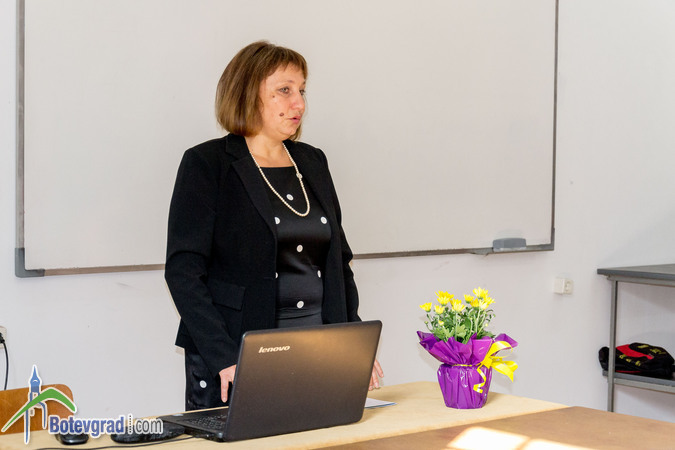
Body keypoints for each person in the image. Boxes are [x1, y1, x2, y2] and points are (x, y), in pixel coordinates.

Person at [165, 40, 383, 410]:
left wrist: (353, 342)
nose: (299, 104)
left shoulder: (312, 162)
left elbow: (338, 262)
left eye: (301, 91)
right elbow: (184, 272)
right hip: (239, 355)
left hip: (318, 348)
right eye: (284, 90)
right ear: (247, 93)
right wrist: (225, 357)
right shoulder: (208, 164)